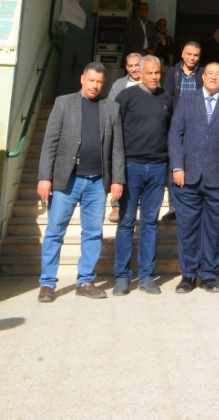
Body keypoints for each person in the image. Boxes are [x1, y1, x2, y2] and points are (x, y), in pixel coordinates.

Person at [37, 63, 124, 302]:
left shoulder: (111, 108)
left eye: (99, 82)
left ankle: (85, 280)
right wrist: (45, 177)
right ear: (82, 79)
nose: (95, 85)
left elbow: (117, 148)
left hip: (97, 182)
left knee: (93, 233)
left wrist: (117, 179)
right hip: (67, 181)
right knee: (55, 232)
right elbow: (50, 142)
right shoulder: (63, 103)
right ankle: (47, 283)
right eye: (91, 80)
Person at [168, 62, 219, 293]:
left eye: (218, 74)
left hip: (218, 178)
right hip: (187, 177)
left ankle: (209, 275)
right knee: (187, 229)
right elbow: (175, 134)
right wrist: (177, 166)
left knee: (214, 229)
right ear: (203, 77)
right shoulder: (187, 100)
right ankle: (188, 275)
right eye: (210, 73)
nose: (213, 77)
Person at [113, 55, 173, 295]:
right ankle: (122, 276)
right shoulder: (125, 97)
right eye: (149, 73)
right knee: (126, 221)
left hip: (157, 168)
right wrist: (117, 171)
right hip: (131, 167)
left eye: (157, 73)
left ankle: (146, 276)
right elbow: (115, 133)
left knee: (150, 222)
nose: (154, 77)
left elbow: (171, 131)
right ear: (139, 72)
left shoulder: (166, 98)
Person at [162, 40, 204, 221]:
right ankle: (173, 206)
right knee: (175, 163)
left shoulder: (202, 73)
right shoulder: (173, 72)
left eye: (195, 55)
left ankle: (194, 203)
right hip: (176, 124)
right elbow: (167, 96)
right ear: (182, 54)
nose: (192, 58)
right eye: (189, 54)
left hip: (197, 126)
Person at [106, 52, 142, 222]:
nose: (134, 69)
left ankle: (137, 204)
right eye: (130, 65)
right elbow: (110, 108)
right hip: (123, 134)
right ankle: (116, 205)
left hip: (143, 137)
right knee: (119, 168)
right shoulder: (119, 85)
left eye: (137, 65)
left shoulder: (151, 82)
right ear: (126, 67)